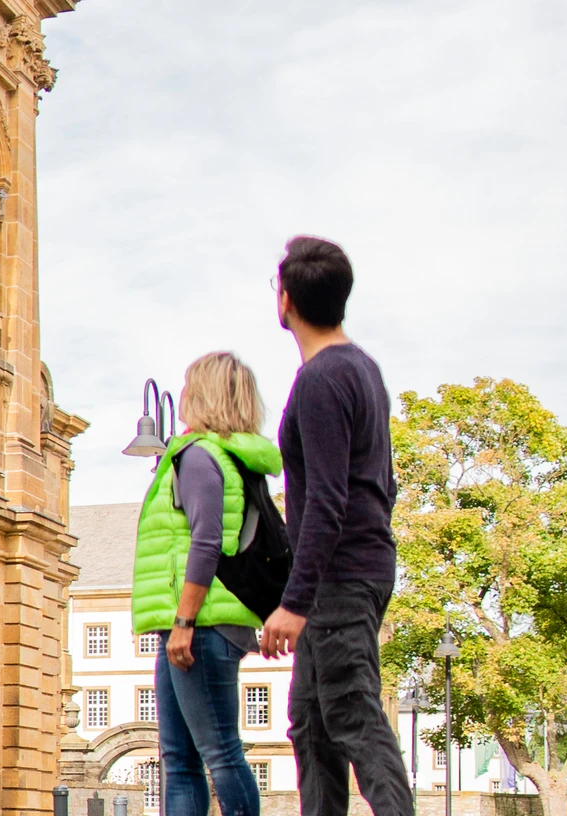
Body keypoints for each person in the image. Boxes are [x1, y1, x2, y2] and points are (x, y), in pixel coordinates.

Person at [260, 237, 413, 816]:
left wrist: (295, 602)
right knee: (311, 725)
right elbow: (383, 484)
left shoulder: (322, 380)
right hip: (354, 570)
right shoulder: (363, 370)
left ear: (287, 300)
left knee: (352, 716)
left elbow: (326, 498)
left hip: (339, 578)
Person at [132, 352, 282, 816]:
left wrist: (183, 621)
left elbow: (206, 543)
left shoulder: (199, 457)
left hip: (200, 626)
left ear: (205, 395)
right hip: (195, 625)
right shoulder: (228, 457)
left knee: (218, 755)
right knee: (179, 760)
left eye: (190, 387)